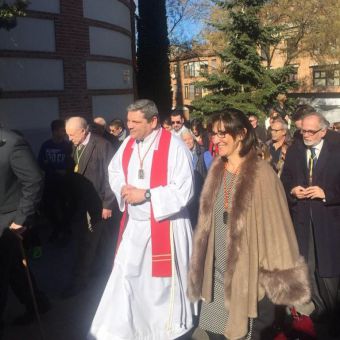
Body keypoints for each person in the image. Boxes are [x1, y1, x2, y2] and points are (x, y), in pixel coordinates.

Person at [187, 109, 311, 340]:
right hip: (216, 276)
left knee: (244, 334)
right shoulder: (216, 169)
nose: (217, 139)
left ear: (242, 133)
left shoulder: (261, 173)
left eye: (224, 133)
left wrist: (281, 283)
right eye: (214, 134)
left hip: (249, 279)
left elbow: (278, 231)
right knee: (215, 334)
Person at [89, 99, 195, 339]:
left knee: (160, 286)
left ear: (154, 121)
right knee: (126, 275)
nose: (130, 126)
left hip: (166, 227)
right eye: (128, 121)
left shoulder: (175, 147)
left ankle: (162, 329)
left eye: (136, 122)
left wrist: (146, 194)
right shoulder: (127, 143)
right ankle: (125, 328)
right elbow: (114, 172)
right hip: (135, 227)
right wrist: (124, 188)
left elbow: (184, 190)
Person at [281, 111, 340, 335]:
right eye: (302, 130)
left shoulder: (336, 151)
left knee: (329, 278)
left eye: (310, 131)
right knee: (309, 272)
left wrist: (327, 194)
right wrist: (292, 189)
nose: (305, 134)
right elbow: (285, 179)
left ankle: (333, 320)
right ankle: (320, 319)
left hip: (330, 226)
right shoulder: (296, 150)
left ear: (323, 132)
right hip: (304, 225)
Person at [0, 127, 49, 332]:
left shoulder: (11, 143)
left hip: (7, 218)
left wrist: (20, 218)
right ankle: (38, 303)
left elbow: (34, 180)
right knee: (13, 268)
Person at [63, 117, 116, 297]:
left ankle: (79, 282)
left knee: (87, 244)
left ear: (84, 131)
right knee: (101, 242)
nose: (69, 138)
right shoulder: (73, 146)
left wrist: (108, 203)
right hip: (80, 204)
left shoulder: (102, 145)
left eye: (72, 134)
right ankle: (106, 270)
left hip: (97, 203)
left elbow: (112, 176)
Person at [38, 119, 73, 243]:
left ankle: (65, 230)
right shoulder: (46, 145)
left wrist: (66, 171)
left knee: (64, 207)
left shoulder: (68, 146)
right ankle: (57, 228)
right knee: (49, 207)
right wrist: (54, 170)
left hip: (65, 183)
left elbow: (72, 163)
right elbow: (41, 163)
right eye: (61, 130)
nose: (64, 132)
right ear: (54, 131)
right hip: (51, 182)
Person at [181, 130, 212, 227]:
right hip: (188, 199)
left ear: (193, 138)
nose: (188, 141)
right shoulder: (181, 155)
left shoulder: (204, 153)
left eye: (190, 138)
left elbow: (212, 173)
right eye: (185, 140)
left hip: (201, 196)